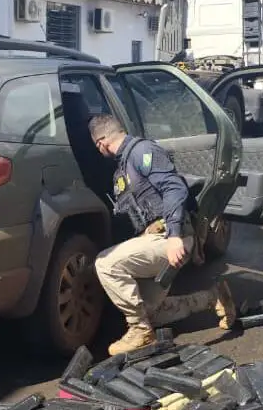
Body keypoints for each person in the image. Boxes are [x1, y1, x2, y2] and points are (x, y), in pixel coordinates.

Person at [88, 114, 237, 355]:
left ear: (101, 143)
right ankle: (213, 297)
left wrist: (174, 235)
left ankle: (139, 331)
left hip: (170, 237)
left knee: (105, 263)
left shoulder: (141, 151)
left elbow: (174, 188)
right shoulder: (124, 165)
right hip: (155, 238)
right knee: (151, 312)